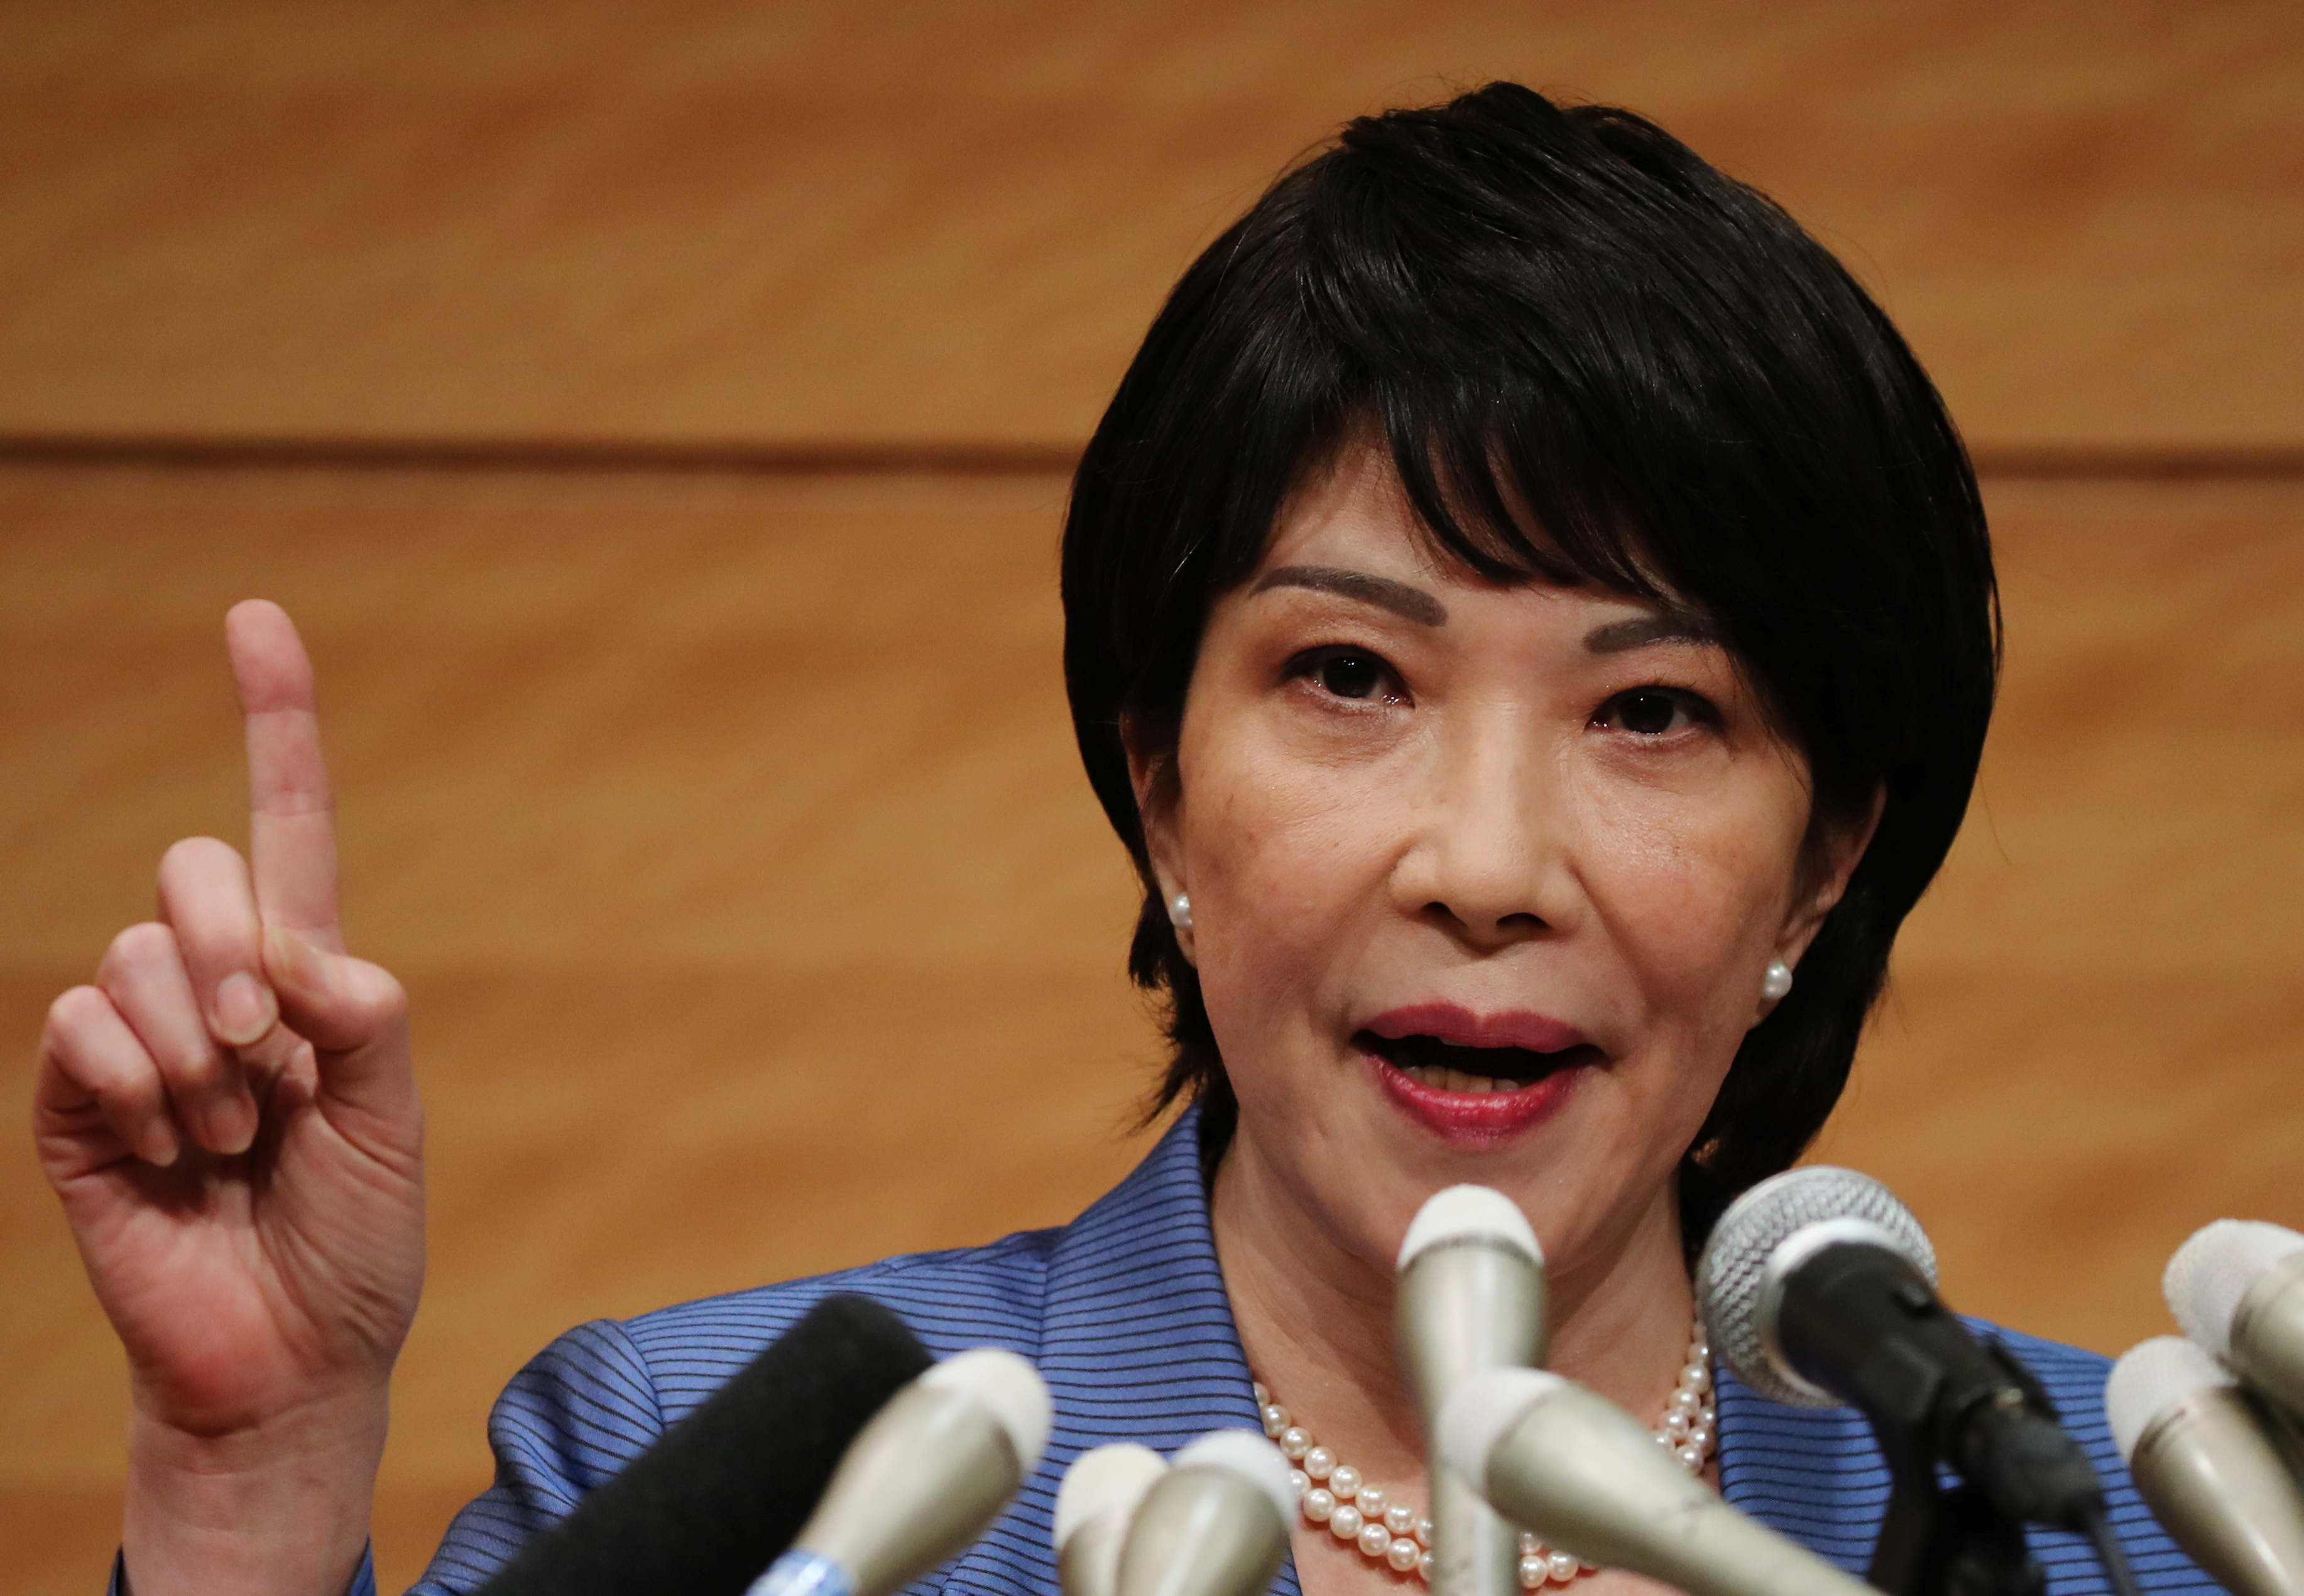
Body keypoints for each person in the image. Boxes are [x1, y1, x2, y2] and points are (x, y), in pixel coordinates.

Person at [33, 83, 2212, 1596]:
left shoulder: (2124, 1516)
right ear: (1154, 775)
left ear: (1820, 865)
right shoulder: (744, 1477)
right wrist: (248, 1480)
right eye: (1348, 676)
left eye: (1653, 711)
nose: (1486, 858)